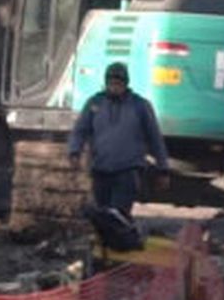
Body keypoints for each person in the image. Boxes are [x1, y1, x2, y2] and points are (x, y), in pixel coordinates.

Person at [67, 62, 169, 216]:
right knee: (102, 215)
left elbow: (155, 138)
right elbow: (80, 130)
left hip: (128, 171)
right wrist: (74, 151)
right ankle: (107, 240)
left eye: (118, 83)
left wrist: (163, 169)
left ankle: (119, 238)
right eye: (111, 83)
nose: (115, 86)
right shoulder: (95, 103)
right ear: (106, 83)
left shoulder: (139, 106)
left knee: (118, 216)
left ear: (125, 83)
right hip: (100, 170)